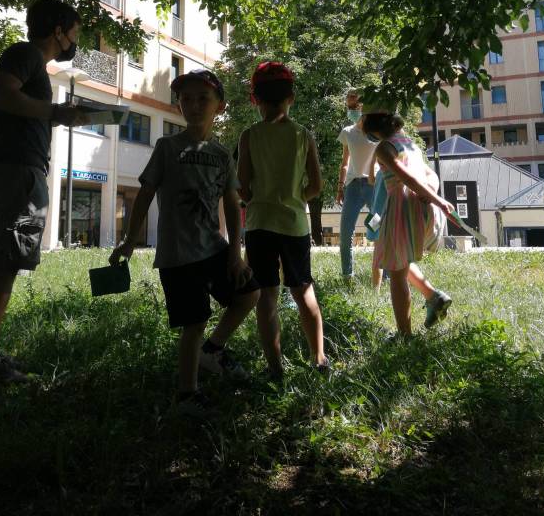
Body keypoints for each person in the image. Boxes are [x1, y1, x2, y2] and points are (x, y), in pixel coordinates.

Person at [109, 69, 259, 413]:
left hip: (214, 248)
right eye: (186, 99)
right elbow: (145, 194)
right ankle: (187, 394)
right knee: (194, 322)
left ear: (219, 106)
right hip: (178, 255)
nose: (193, 105)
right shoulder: (166, 147)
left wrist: (235, 254)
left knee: (249, 292)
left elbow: (233, 204)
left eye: (202, 99)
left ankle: (213, 351)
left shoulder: (222, 154)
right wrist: (130, 240)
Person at [0, 0, 88, 386]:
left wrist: (56, 118)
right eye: (74, 32)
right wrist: (54, 112)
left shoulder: (33, 66)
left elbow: (17, 110)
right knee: (3, 263)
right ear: (58, 31)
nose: (75, 40)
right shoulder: (25, 53)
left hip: (14, 170)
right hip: (14, 173)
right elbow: (0, 95)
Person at [238, 61, 328, 379]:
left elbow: (243, 187)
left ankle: (275, 368)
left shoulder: (249, 136)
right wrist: (294, 199)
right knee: (303, 290)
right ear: (291, 97)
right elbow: (316, 186)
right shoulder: (303, 136)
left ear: (255, 99)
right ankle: (319, 358)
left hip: (260, 223)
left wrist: (259, 198)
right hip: (294, 225)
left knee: (266, 296)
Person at [363, 111, 454, 336]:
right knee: (399, 261)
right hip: (421, 208)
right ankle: (434, 298)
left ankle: (405, 334)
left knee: (395, 272)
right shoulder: (410, 144)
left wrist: (438, 200)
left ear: (375, 132)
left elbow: (408, 179)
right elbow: (430, 175)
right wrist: (432, 193)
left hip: (402, 209)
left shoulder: (384, 148)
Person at [336, 104, 377, 282]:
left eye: (355, 105)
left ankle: (386, 276)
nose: (351, 109)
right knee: (345, 233)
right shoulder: (348, 132)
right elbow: (345, 162)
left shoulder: (376, 133)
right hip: (352, 187)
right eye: (349, 105)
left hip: (372, 187)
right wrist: (340, 186)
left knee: (379, 229)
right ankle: (347, 276)